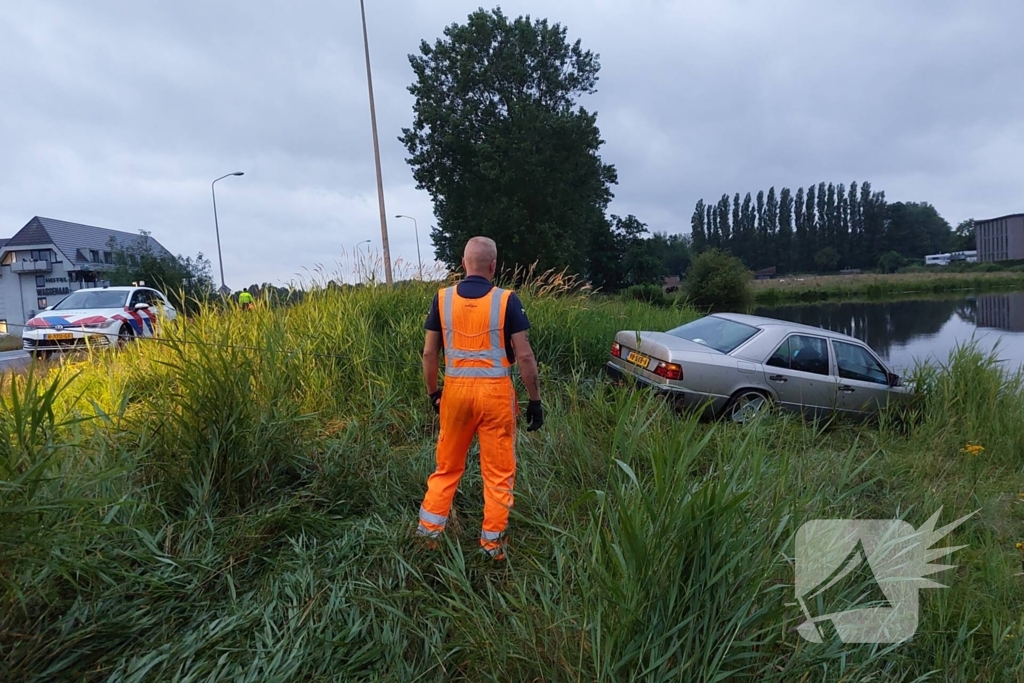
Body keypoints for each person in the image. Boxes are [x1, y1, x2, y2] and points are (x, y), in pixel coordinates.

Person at [416, 236, 543, 560]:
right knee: (499, 474)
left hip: (455, 395)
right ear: (493, 265)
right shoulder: (506, 301)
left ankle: (427, 540)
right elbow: (525, 357)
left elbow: (430, 354)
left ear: (463, 264)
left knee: (446, 468)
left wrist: (434, 393)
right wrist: (535, 400)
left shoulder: (442, 299)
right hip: (495, 396)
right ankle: (492, 549)